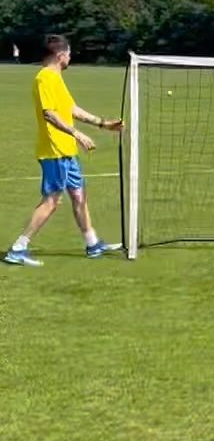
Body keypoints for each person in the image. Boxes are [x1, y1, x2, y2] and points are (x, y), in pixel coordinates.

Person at [4, 34, 124, 267]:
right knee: (51, 201)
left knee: (79, 195)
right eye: (69, 54)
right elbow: (49, 114)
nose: (70, 57)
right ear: (60, 56)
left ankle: (92, 244)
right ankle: (18, 248)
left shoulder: (56, 79)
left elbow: (71, 108)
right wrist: (76, 133)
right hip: (54, 150)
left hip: (67, 150)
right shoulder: (44, 78)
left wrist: (103, 123)